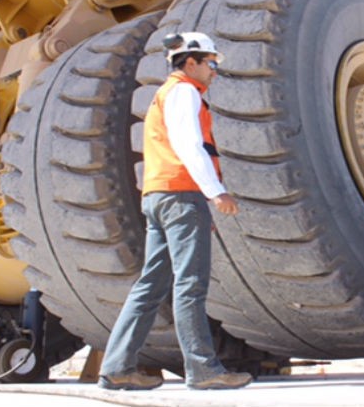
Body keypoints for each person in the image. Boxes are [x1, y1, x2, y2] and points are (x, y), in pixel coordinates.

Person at [98, 32, 253, 390]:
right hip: (182, 196)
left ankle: (118, 367)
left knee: (150, 286)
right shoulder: (184, 92)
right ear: (191, 62)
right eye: (211, 63)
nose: (215, 71)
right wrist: (215, 193)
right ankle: (204, 370)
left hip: (159, 196)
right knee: (190, 285)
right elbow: (189, 145)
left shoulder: (164, 94)